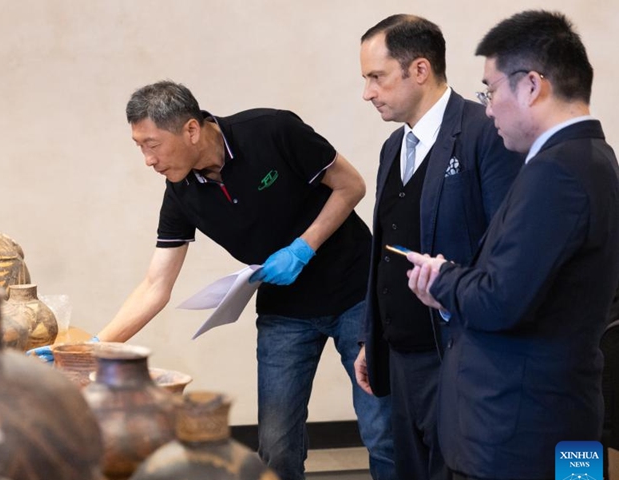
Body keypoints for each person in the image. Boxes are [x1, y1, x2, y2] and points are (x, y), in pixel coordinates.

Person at [93, 80, 396, 480]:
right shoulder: (181, 192)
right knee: (276, 445)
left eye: (152, 144)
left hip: (355, 294)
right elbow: (155, 285)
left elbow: (351, 185)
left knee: (383, 433)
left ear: (190, 130)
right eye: (140, 147)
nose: (148, 159)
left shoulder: (272, 131)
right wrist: (93, 347)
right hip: (285, 311)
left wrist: (303, 247)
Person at [407, 10, 619, 480]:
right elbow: (531, 289)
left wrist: (444, 280)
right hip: (542, 423)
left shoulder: (558, 171)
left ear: (530, 86)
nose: (486, 107)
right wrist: (448, 293)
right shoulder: (588, 158)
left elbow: (501, 301)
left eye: (490, 89)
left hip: (519, 435)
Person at [352, 14, 523, 480]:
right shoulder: (393, 146)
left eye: (376, 77)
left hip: (459, 355)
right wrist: (373, 335)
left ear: (420, 70)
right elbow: (386, 248)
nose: (368, 92)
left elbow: (506, 249)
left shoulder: (484, 133)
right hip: (403, 356)